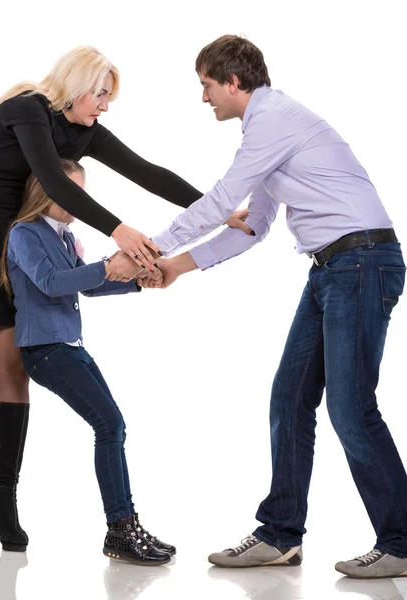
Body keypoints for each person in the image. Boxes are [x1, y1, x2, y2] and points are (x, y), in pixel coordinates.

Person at [0, 44, 210, 553]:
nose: (104, 106)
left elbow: (147, 171)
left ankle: (2, 497)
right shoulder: (26, 111)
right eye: (100, 94)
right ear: (76, 84)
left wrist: (218, 211)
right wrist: (119, 230)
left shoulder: (84, 131)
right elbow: (56, 180)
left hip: (6, 255)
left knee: (12, 373)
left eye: (109, 98)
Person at [148, 35, 407, 579]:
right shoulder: (267, 132)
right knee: (289, 401)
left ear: (234, 81)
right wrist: (176, 267)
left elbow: (221, 201)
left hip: (361, 263)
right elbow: (251, 227)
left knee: (351, 409)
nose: (204, 98)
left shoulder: (274, 120)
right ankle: (281, 533)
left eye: (207, 85)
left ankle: (402, 542)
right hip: (334, 269)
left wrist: (152, 248)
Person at [0, 159, 174, 565]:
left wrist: (136, 283)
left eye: (83, 193)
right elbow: (51, 283)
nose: (80, 202)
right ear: (47, 192)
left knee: (113, 426)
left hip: (68, 344)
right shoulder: (25, 233)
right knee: (109, 425)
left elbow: (90, 289)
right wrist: (109, 266)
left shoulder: (63, 236)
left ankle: (125, 526)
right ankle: (121, 530)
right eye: (72, 193)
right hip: (43, 349)